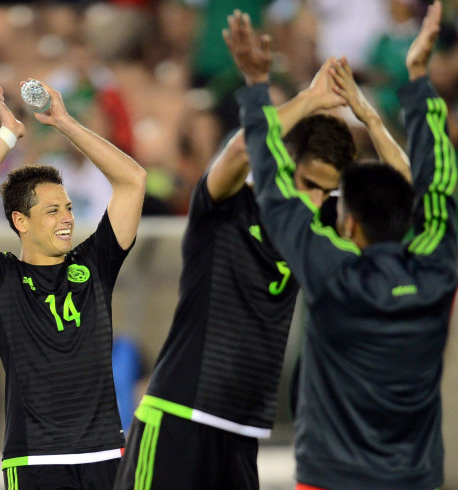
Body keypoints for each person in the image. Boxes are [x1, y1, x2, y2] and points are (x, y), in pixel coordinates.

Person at [114, 18, 411, 490]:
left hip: (243, 434)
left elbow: (402, 195)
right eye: (309, 183)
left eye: (327, 191)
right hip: (179, 417)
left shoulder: (314, 228)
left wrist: (368, 116)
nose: (317, 199)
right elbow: (237, 152)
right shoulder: (226, 206)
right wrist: (312, 99)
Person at [228, 3, 455, 488]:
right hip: (416, 478)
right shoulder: (437, 268)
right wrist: (416, 83)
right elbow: (438, 184)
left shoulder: (330, 271)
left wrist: (255, 90)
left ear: (348, 224)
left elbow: (272, 184)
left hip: (330, 476)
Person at [0, 81, 146, 489]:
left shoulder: (95, 263)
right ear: (21, 221)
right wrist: (6, 136)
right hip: (35, 458)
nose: (67, 218)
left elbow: (133, 180)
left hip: (106, 453)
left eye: (68, 208)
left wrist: (65, 123)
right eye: (52, 211)